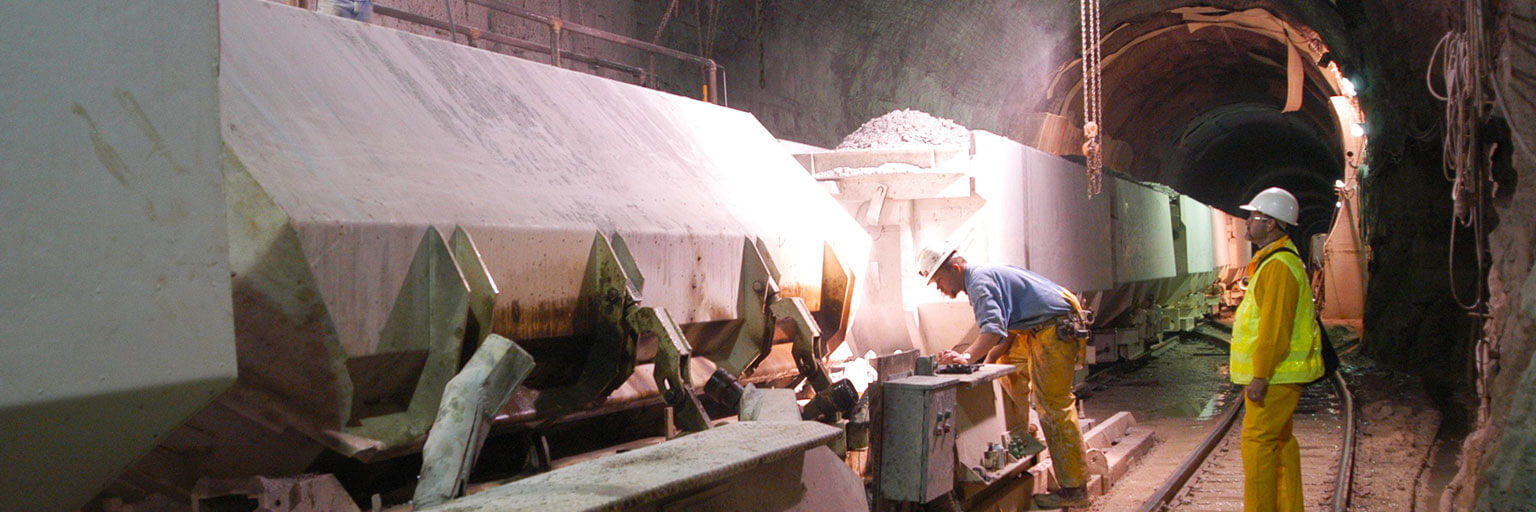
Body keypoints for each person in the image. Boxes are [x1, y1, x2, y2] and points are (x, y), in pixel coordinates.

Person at [919, 244, 1091, 508]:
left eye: (939, 280)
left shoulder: (978, 282)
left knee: (1053, 405)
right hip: (1040, 326)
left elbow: (992, 330)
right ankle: (1019, 439)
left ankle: (1074, 489)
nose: (939, 288)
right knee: (1009, 371)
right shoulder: (984, 276)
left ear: (955, 268)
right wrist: (988, 362)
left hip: (1055, 325)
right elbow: (1006, 329)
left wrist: (966, 358)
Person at [1231, 187, 1324, 512]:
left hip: (1275, 377)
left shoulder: (1278, 267)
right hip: (1281, 376)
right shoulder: (1275, 261)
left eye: (1253, 216)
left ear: (1271, 223)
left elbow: (1274, 330)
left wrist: (1260, 375)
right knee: (1280, 444)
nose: (1246, 222)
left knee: (1257, 446)